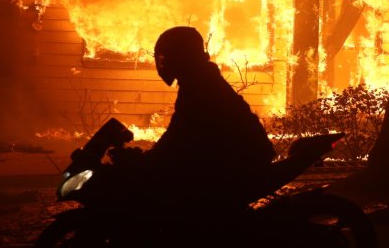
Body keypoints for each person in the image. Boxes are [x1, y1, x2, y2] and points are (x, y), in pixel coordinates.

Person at [106, 26, 276, 208]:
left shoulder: (200, 86)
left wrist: (146, 162)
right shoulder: (200, 80)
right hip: (236, 162)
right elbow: (181, 136)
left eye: (167, 56)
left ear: (181, 56)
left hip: (235, 168)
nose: (163, 63)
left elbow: (178, 136)